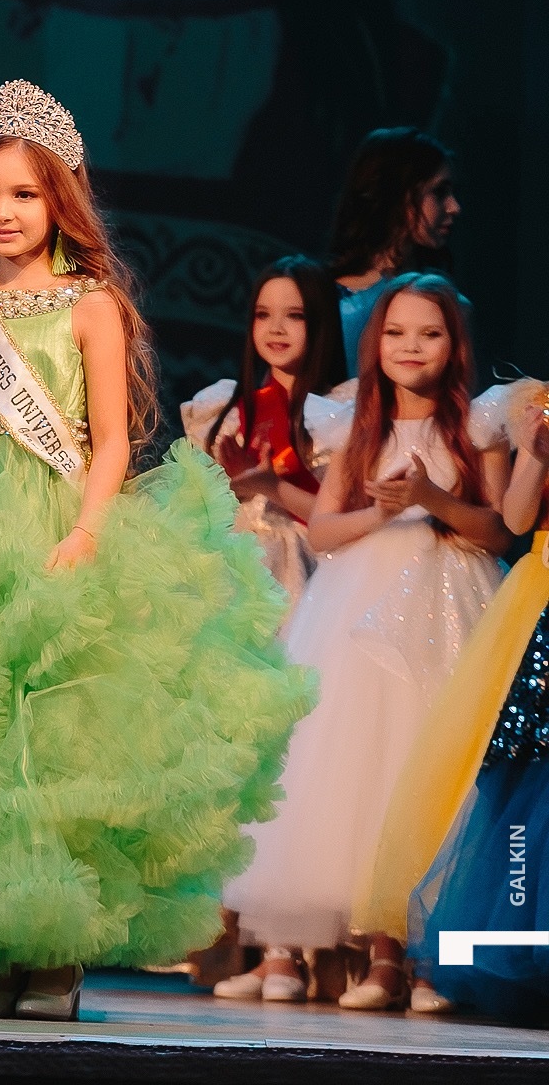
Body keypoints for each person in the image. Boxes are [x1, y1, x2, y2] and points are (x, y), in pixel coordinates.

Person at [0, 80, 313, 1021]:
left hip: (59, 534)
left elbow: (112, 441)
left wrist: (85, 531)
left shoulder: (91, 305)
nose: (3, 212)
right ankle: (7, 953)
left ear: (61, 200)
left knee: (58, 747)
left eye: (25, 194)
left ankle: (59, 959)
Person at [220, 276, 508, 1011]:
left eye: (429, 334)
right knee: (370, 768)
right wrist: (384, 513)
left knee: (438, 773)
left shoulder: (479, 426)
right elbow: (323, 531)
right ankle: (382, 958)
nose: (411, 347)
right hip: (365, 607)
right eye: (396, 333)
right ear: (374, 344)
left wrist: (432, 500)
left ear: (455, 345)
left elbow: (499, 528)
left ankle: (433, 960)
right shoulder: (356, 428)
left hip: (454, 607)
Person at [360, 377, 549, 1019]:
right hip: (540, 603)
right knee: (524, 781)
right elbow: (516, 521)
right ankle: (511, 955)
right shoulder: (537, 406)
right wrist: (536, 454)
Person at [182, 256, 348, 611]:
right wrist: (233, 485)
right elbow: (194, 512)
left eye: (294, 315)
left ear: (321, 322)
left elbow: (344, 519)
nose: (276, 328)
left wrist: (271, 486)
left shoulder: (342, 416)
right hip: (231, 572)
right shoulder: (222, 410)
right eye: (263, 315)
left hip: (311, 577)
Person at [326, 129, 462, 375]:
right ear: (397, 193)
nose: (454, 207)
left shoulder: (450, 302)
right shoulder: (325, 298)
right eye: (439, 192)